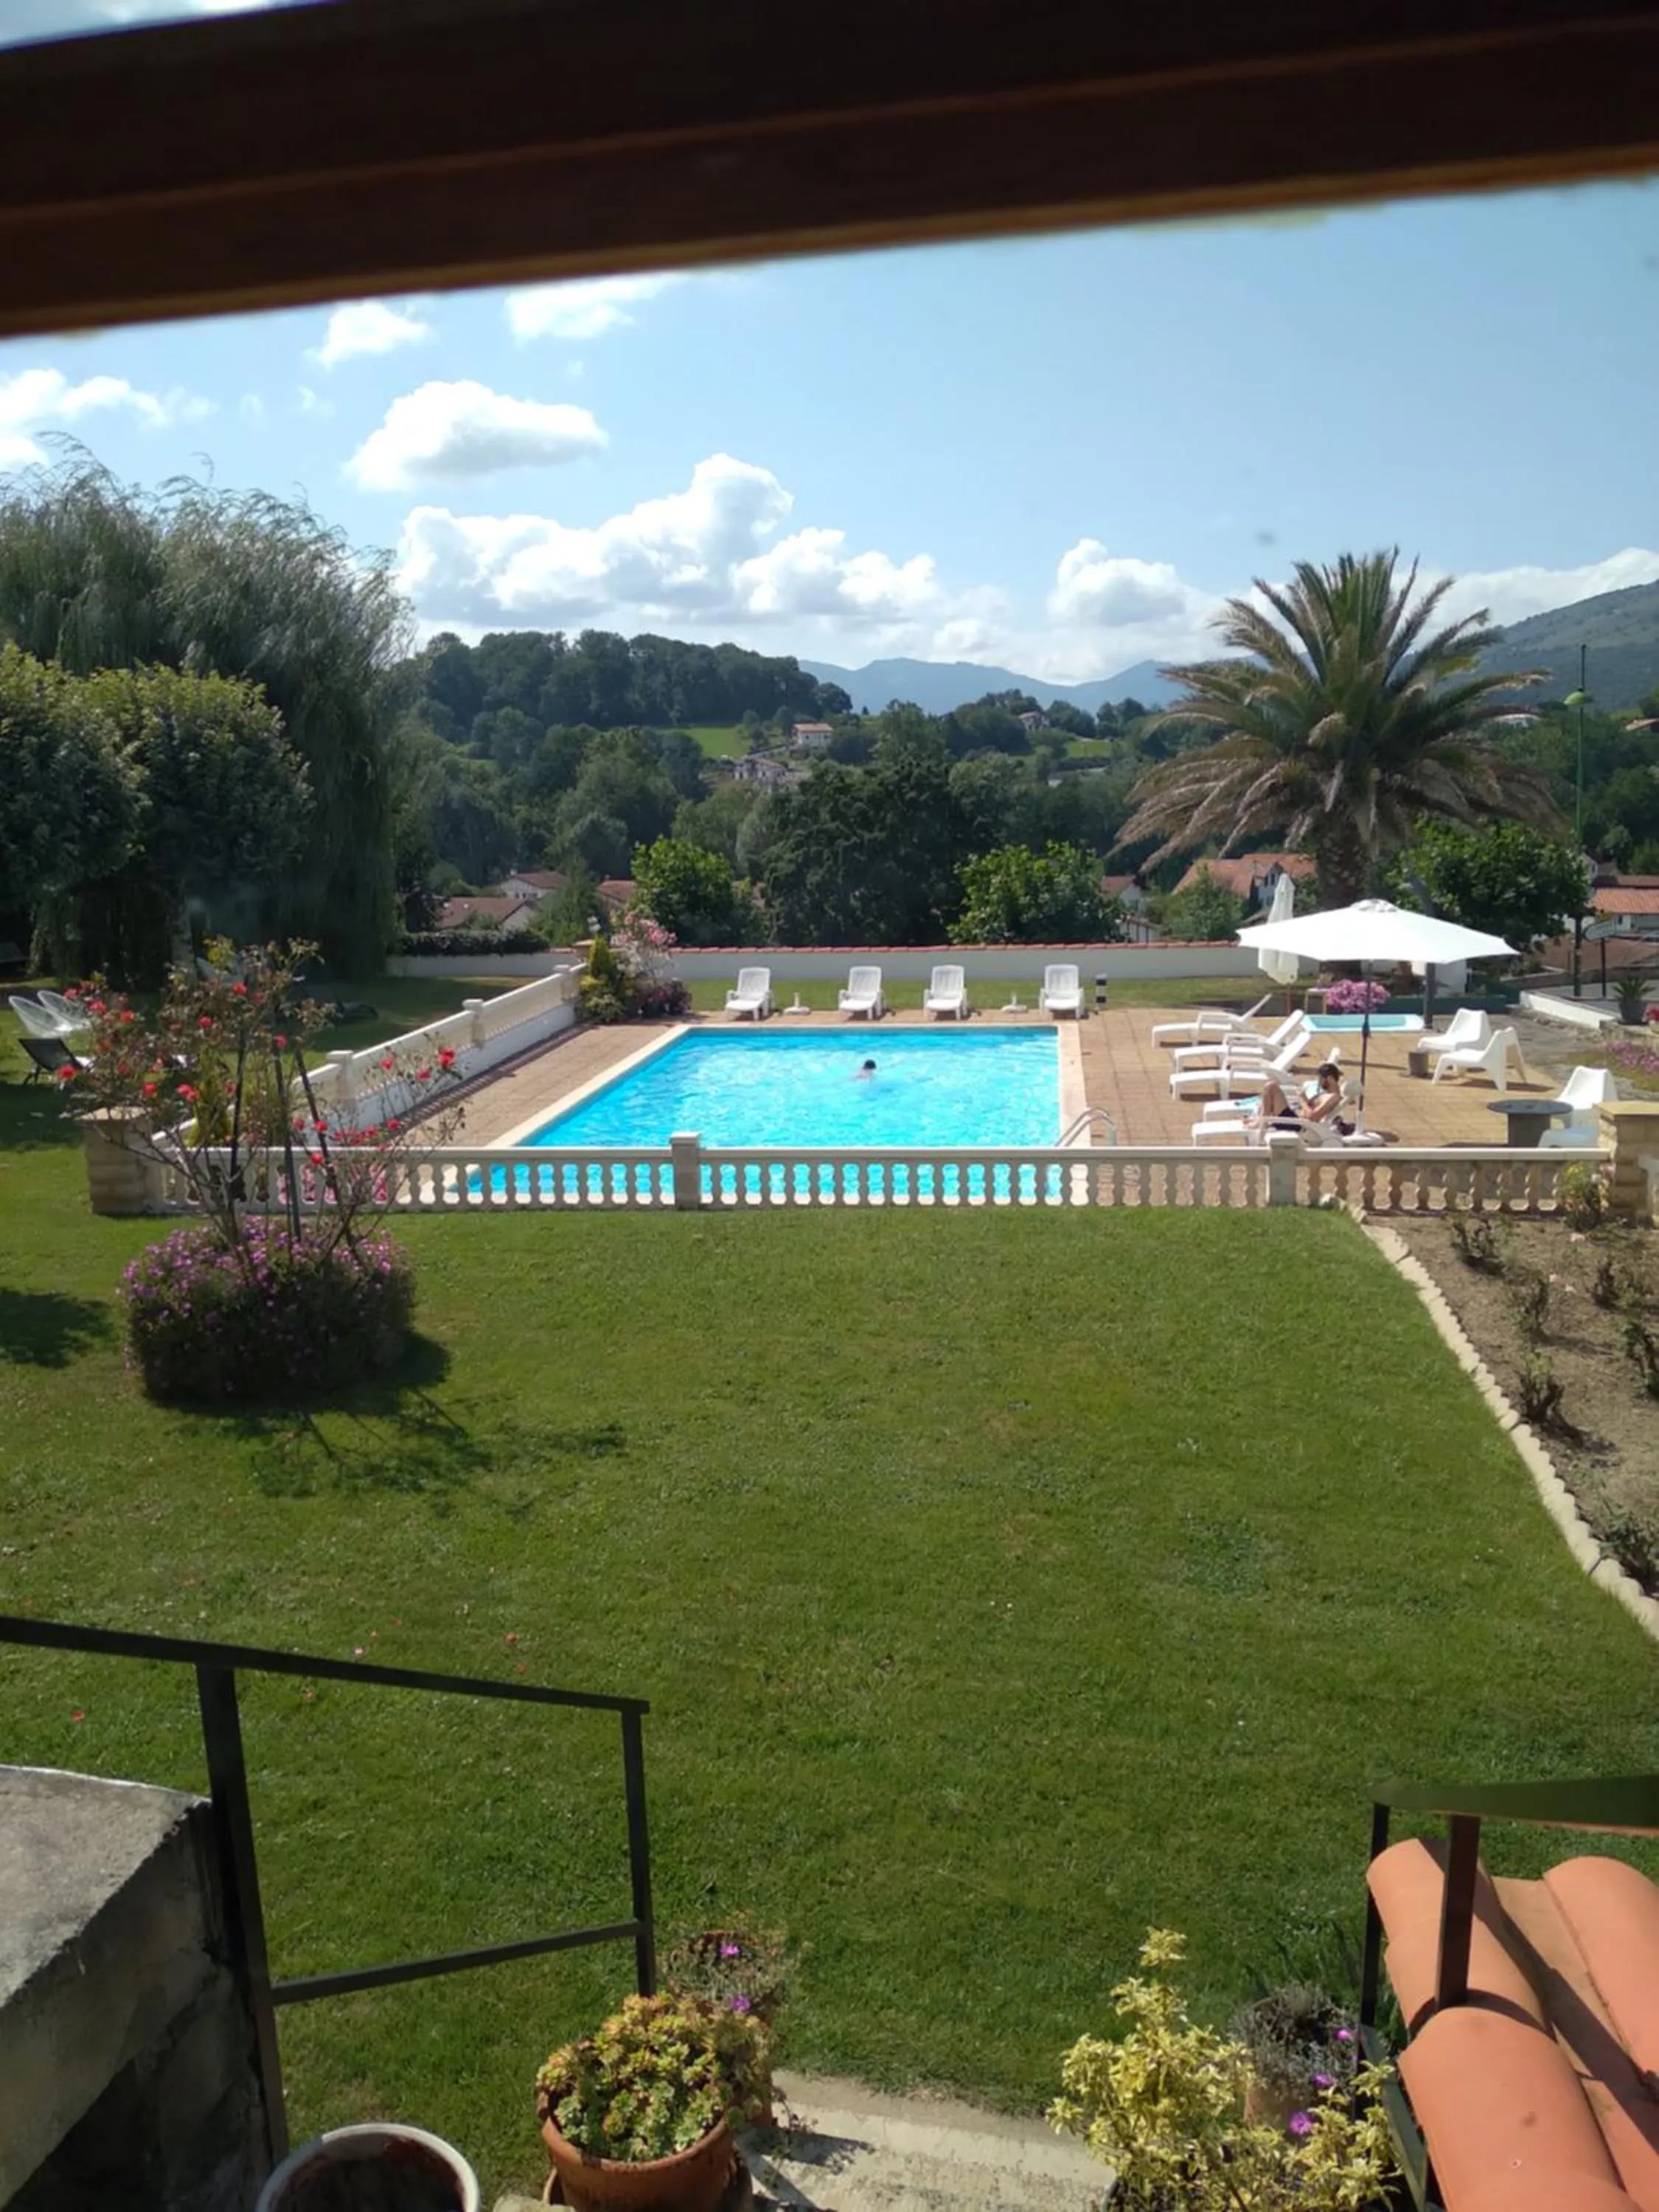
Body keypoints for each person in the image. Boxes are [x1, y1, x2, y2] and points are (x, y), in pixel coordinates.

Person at [1302, 1061, 1354, 1137]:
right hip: (1299, 1122)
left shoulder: (1333, 1097)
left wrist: (1302, 1099)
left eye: (1321, 1079)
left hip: (1302, 1126)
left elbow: (1313, 1117)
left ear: (1330, 1078)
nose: (1319, 1082)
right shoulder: (1327, 1095)